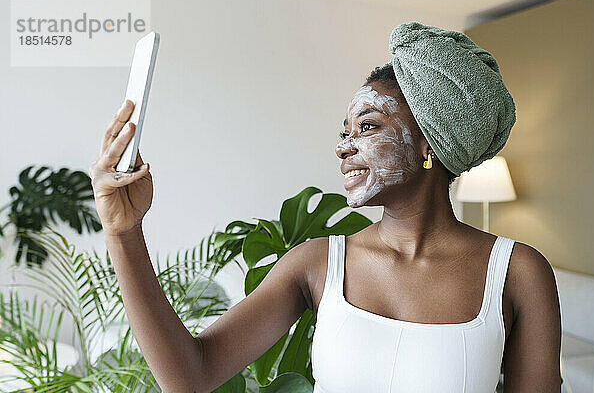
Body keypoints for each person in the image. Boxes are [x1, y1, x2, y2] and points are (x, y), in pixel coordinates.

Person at [88, 22, 562, 393]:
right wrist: (123, 233)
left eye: (368, 127)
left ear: (427, 142)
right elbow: (189, 376)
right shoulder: (318, 263)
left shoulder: (518, 274)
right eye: (345, 132)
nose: (343, 148)